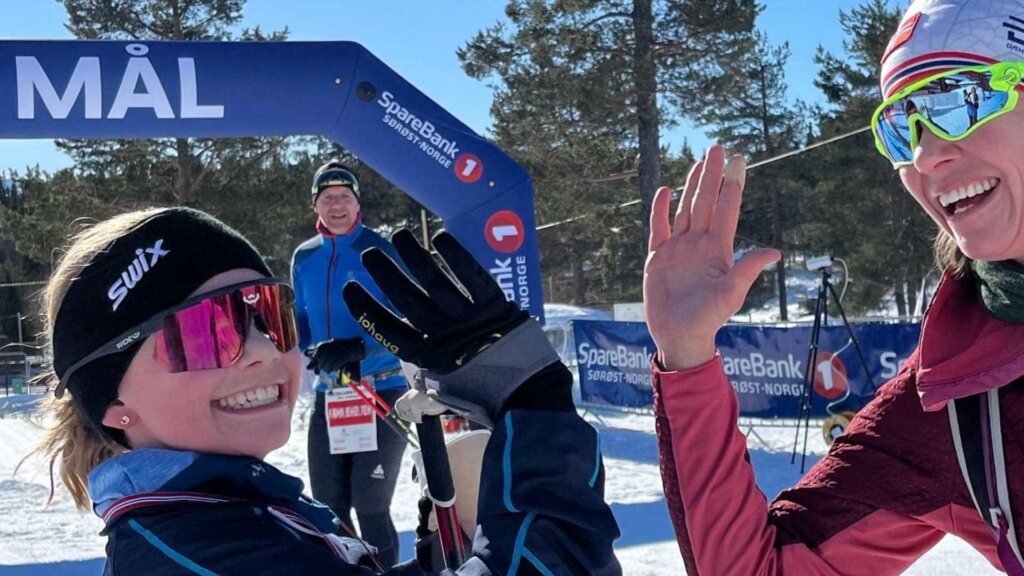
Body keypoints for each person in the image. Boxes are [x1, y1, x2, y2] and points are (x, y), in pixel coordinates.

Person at [646, 0, 1024, 573]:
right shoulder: (956, 402)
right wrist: (686, 352)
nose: (925, 155)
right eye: (901, 128)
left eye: (957, 99)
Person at [35, 206, 621, 575]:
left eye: (269, 313)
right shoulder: (194, 552)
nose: (264, 349)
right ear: (111, 401)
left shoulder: (223, 511)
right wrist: (532, 401)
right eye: (206, 331)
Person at [292, 160, 408, 565]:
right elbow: (302, 325)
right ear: (316, 206)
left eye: (344, 197)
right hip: (333, 393)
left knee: (370, 505)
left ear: (358, 205)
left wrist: (359, 348)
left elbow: (408, 320)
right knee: (328, 508)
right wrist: (280, 335)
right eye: (327, 198)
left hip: (382, 390)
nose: (336, 205)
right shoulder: (304, 257)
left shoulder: (380, 249)